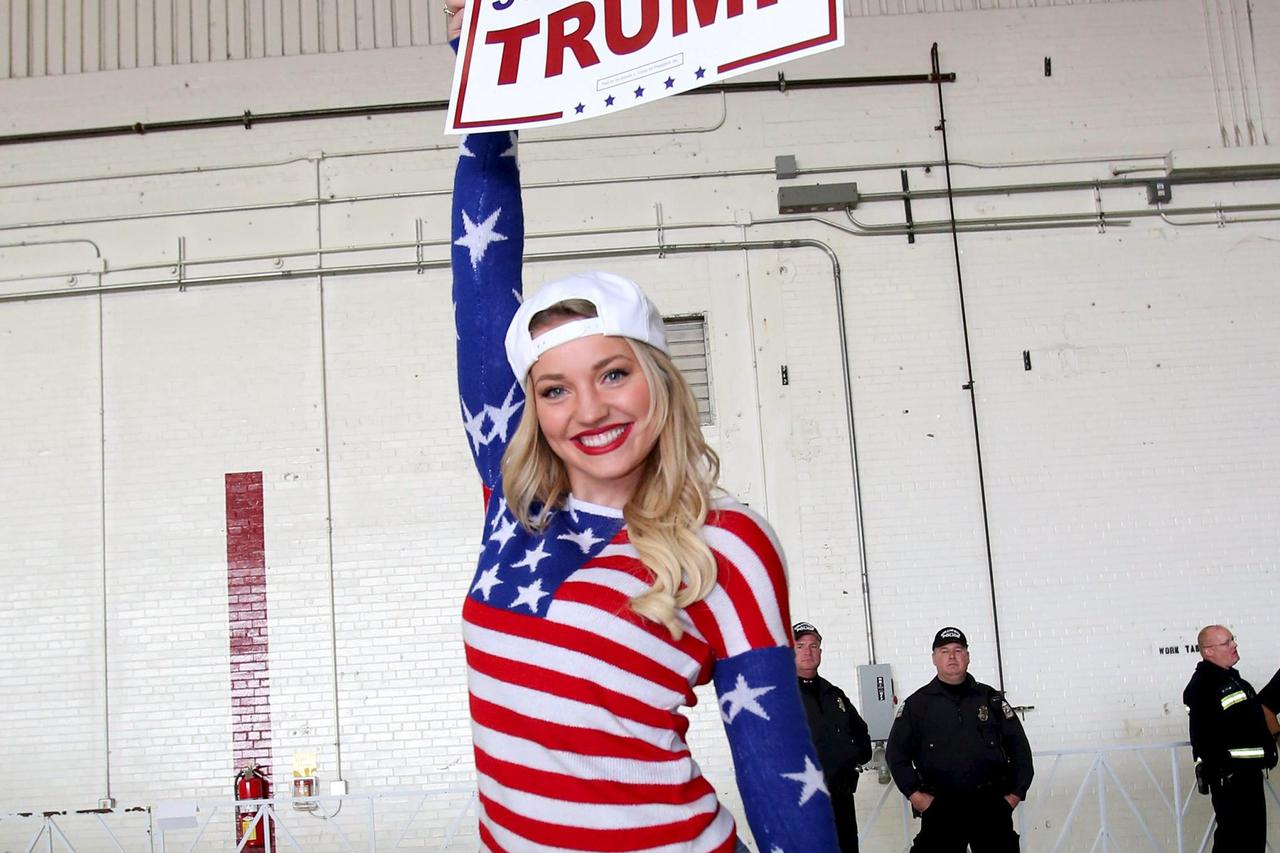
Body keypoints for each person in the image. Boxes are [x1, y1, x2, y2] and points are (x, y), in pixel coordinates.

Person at [445, 4, 840, 850]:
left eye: (613, 373)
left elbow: (778, 770)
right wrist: (484, 90)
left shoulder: (727, 542)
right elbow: (481, 284)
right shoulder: (513, 503)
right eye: (554, 389)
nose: (587, 409)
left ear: (659, 380)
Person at [885, 627, 1033, 853]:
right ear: (934, 658)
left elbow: (1020, 750)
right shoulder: (917, 705)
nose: (952, 657)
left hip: (990, 806)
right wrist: (917, 797)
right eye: (944, 651)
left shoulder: (990, 699)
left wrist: (1013, 796)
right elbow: (896, 756)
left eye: (958, 650)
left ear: (968, 656)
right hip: (941, 806)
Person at [1182, 624, 1277, 852]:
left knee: (1250, 843)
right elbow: (1203, 738)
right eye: (1226, 642)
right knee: (1235, 843)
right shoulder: (1203, 686)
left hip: (1246, 776)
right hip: (1232, 780)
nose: (1234, 645)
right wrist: (1225, 770)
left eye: (1232, 639)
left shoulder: (1233, 681)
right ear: (1208, 651)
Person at [793, 621, 872, 853]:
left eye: (813, 645)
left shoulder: (834, 695)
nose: (808, 651)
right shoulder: (781, 697)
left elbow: (861, 736)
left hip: (841, 800)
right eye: (800, 646)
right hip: (803, 801)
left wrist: (849, 764)